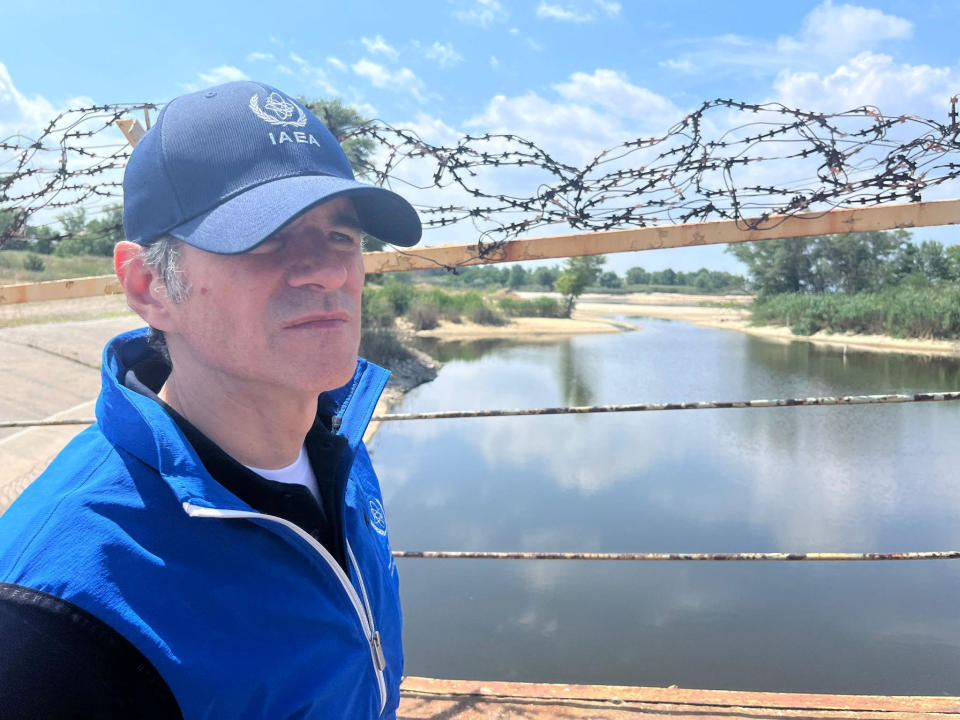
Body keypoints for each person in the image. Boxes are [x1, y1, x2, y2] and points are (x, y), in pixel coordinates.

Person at [0, 81, 421, 719]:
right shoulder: (55, 623)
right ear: (148, 286)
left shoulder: (338, 445)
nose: (328, 271)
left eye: (343, 236)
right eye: (264, 238)